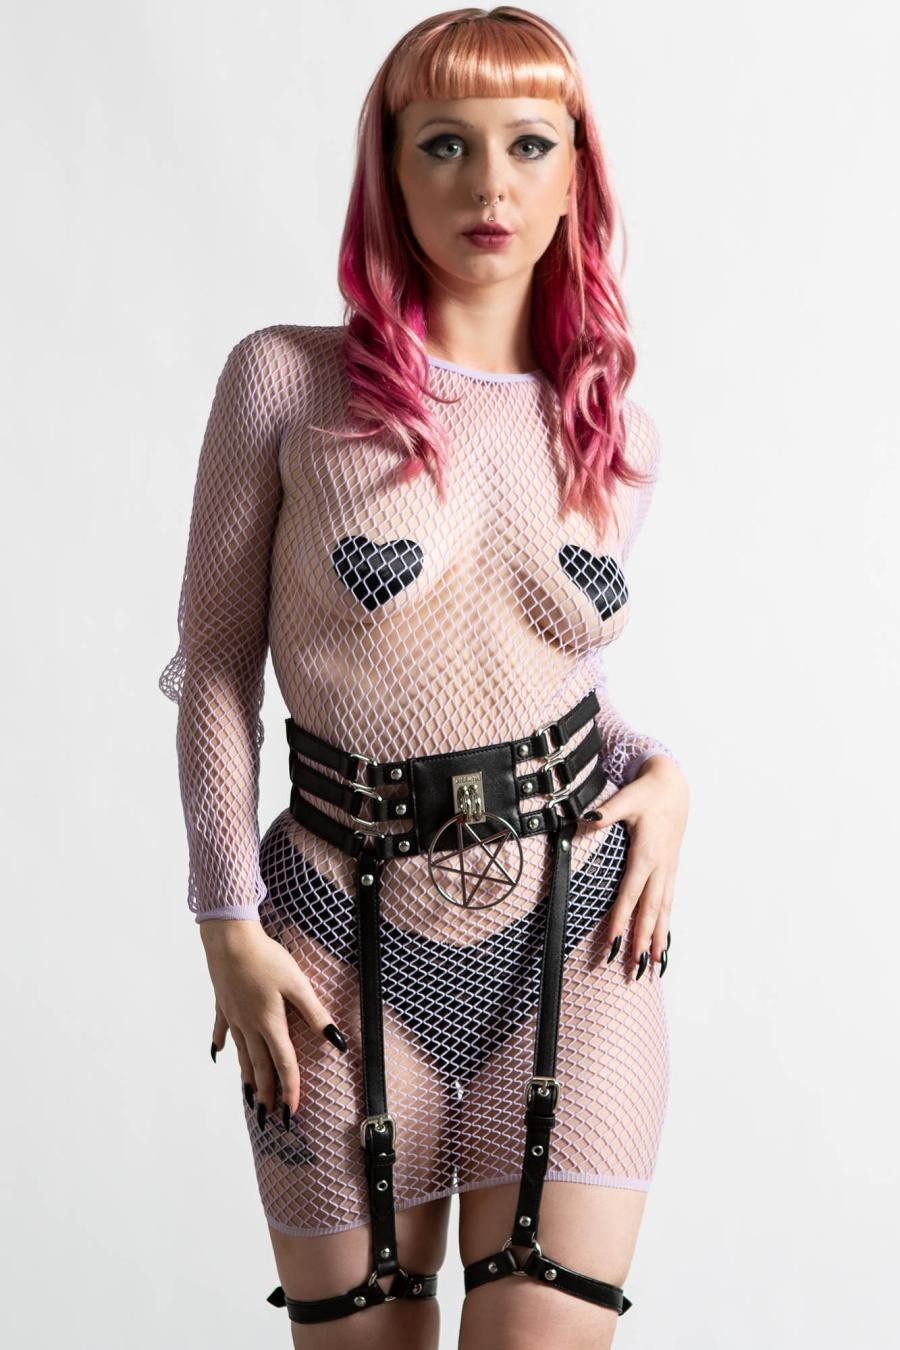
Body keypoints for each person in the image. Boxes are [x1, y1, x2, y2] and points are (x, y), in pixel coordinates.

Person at [158, 7, 689, 1348]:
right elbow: (216, 666)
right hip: (329, 940)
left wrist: (663, 775)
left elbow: (544, 672)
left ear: (577, 175)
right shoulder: (285, 383)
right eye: (445, 144)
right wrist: (225, 918)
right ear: (389, 170)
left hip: (575, 933)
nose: (489, 184)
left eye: (529, 144)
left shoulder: (609, 429)